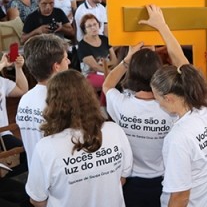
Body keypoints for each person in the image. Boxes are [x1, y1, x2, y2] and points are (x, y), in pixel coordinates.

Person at [137, 5, 207, 206]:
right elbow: (182, 63)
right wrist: (162, 26)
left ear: (169, 98)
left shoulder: (178, 138)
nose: (156, 101)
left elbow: (180, 197)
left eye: (156, 97)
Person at [25, 70, 133, 207]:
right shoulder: (115, 131)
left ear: (52, 103)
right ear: (89, 96)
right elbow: (122, 178)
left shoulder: (46, 147)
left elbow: (37, 199)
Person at [103, 44, 175, 207]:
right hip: (162, 179)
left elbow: (107, 85)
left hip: (130, 179)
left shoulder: (121, 104)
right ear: (159, 74)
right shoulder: (171, 109)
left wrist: (126, 61)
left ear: (132, 73)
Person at [16, 34, 70, 165]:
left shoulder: (25, 99)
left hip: (36, 171)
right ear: (56, 66)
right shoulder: (59, 100)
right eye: (66, 58)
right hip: (59, 175)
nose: (68, 62)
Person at [77, 13, 117, 93]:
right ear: (85, 30)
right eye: (89, 26)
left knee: (111, 80)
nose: (93, 28)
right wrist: (110, 72)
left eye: (95, 24)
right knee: (108, 81)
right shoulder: (82, 46)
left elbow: (115, 61)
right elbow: (95, 67)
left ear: (99, 25)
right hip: (90, 75)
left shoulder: (105, 39)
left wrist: (106, 66)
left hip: (107, 71)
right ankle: (103, 104)